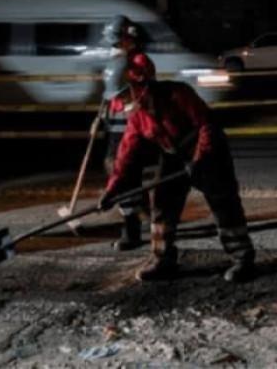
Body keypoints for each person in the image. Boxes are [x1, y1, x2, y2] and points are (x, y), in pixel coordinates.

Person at [99, 53, 256, 283]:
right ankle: (162, 259)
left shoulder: (177, 93)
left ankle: (242, 258)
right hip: (173, 155)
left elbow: (206, 125)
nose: (121, 102)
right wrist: (111, 191)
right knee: (162, 204)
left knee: (224, 204)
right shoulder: (137, 118)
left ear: (139, 84)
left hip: (208, 152)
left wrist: (199, 160)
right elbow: (126, 157)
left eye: (123, 94)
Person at [100, 15, 150, 250]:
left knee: (125, 176)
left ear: (130, 39)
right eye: (113, 43)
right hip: (115, 125)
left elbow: (134, 96)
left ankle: (132, 231)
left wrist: (126, 67)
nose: (115, 47)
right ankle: (147, 220)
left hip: (131, 126)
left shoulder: (139, 62)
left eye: (118, 42)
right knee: (122, 173)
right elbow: (109, 93)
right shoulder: (117, 62)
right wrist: (99, 117)